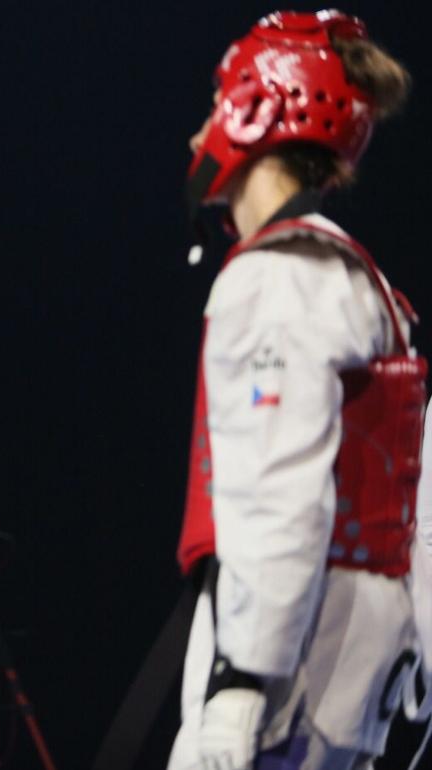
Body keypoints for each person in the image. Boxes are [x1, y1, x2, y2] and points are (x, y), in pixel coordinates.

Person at [168, 10, 430, 769]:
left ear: (258, 106)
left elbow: (280, 498)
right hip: (355, 662)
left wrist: (242, 680)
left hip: (287, 672)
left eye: (218, 103)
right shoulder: (359, 277)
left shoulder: (274, 278)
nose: (199, 135)